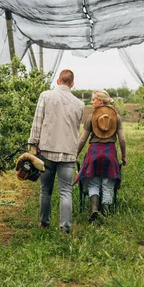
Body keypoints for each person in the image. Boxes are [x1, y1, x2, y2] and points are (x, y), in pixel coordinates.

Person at [28, 69, 85, 233]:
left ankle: (44, 223)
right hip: (68, 152)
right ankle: (65, 228)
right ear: (72, 84)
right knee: (65, 191)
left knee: (45, 190)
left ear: (58, 81)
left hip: (47, 150)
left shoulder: (46, 96)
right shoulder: (79, 104)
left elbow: (37, 121)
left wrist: (33, 143)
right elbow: (75, 126)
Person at [75, 90, 126, 222]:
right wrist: (124, 156)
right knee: (108, 184)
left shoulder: (91, 117)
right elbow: (122, 140)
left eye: (93, 99)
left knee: (93, 183)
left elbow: (82, 140)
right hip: (110, 154)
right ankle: (106, 213)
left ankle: (94, 209)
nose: (91, 102)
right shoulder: (116, 117)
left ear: (100, 101)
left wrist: (76, 154)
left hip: (94, 154)